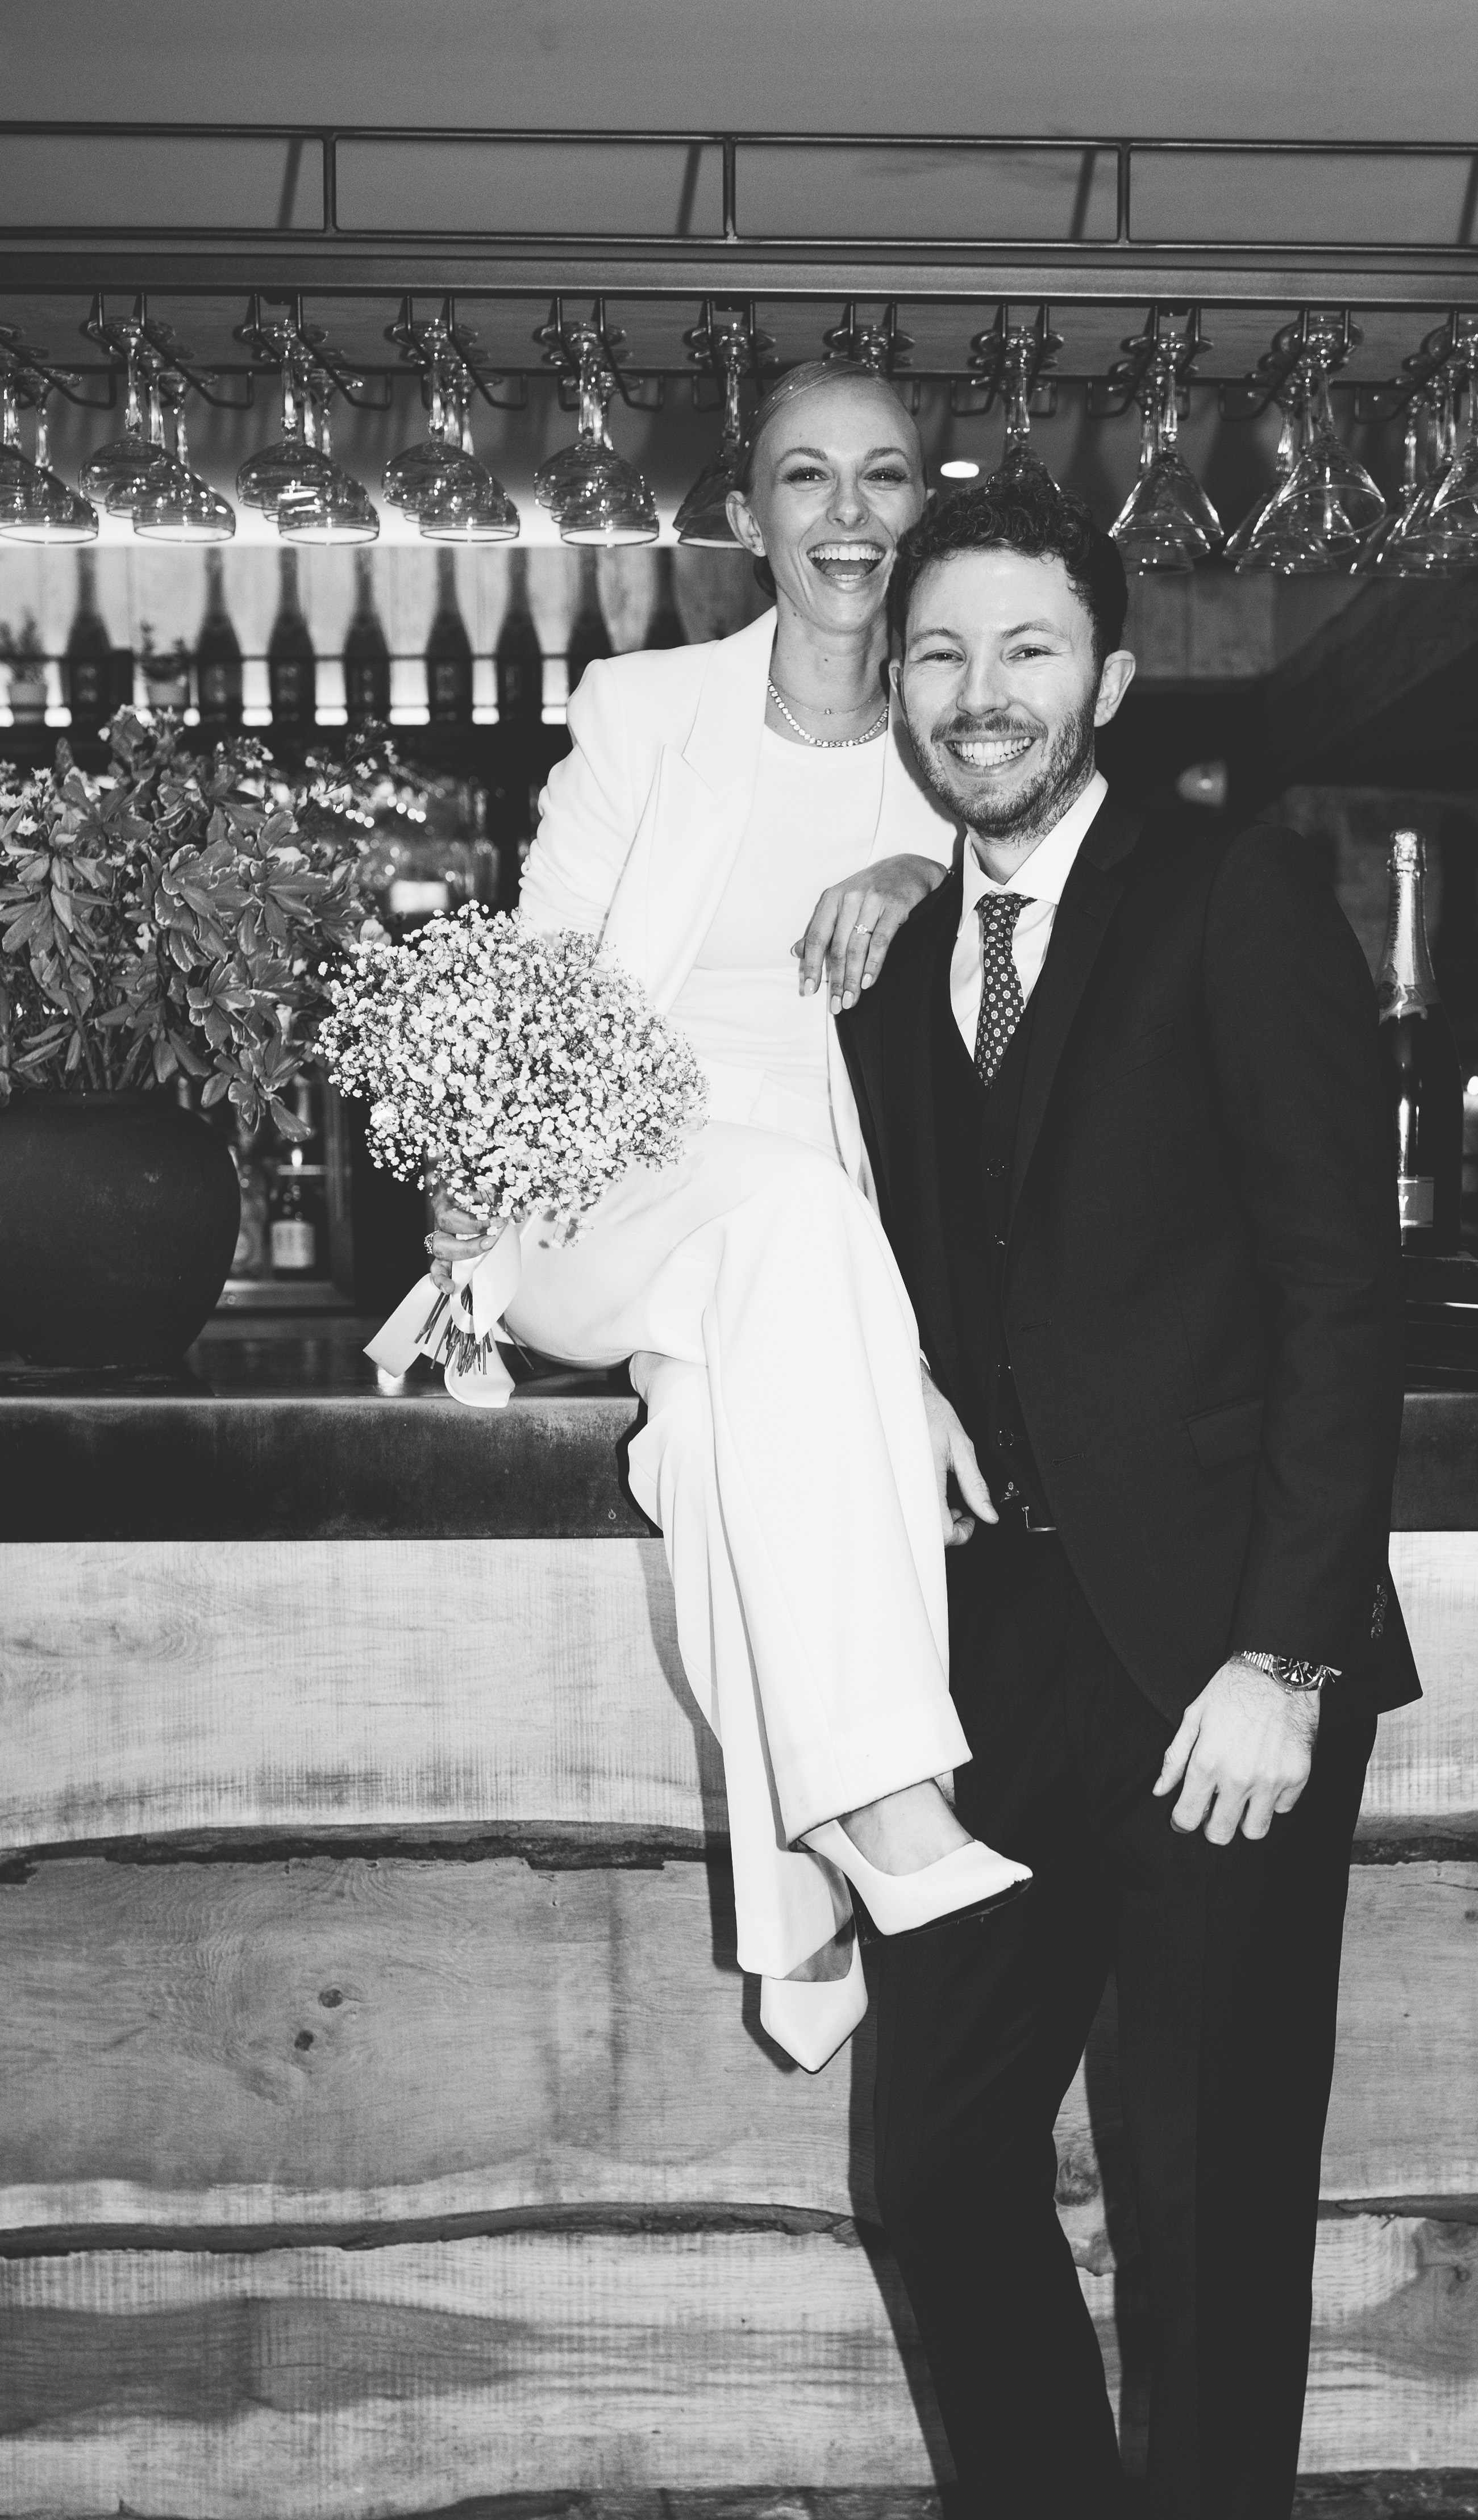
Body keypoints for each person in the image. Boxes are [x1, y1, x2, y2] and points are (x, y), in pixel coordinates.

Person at [832, 470, 1422, 2520]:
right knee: (939, 2170)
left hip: (1218, 1681)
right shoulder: (882, 957)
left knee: (1199, 2236)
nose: (981, 694)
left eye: (1026, 652)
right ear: (907, 684)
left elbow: (1339, 1292)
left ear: (1108, 676)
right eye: (941, 654)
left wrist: (1286, 1656)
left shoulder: (1228, 900)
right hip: (989, 1667)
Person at [497, 363, 1030, 2071]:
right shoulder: (648, 712)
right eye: (809, 478)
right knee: (788, 1215)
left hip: (815, 1254)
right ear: (751, 519)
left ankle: (811, 1918)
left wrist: (937, 877)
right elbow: (538, 992)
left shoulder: (962, 752)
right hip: (607, 1191)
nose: (850, 513)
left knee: (725, 1425)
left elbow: (1055, 967)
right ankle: (881, 1785)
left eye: (884, 476)